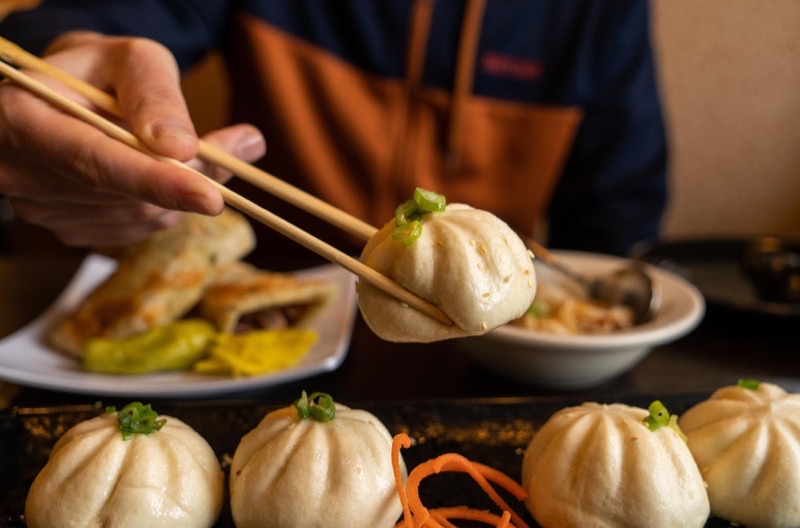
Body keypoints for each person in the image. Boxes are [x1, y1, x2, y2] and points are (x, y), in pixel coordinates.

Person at [0, 0, 667, 269]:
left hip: (488, 364)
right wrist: (68, 54)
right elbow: (89, 21)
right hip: (272, 331)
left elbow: (617, 215)